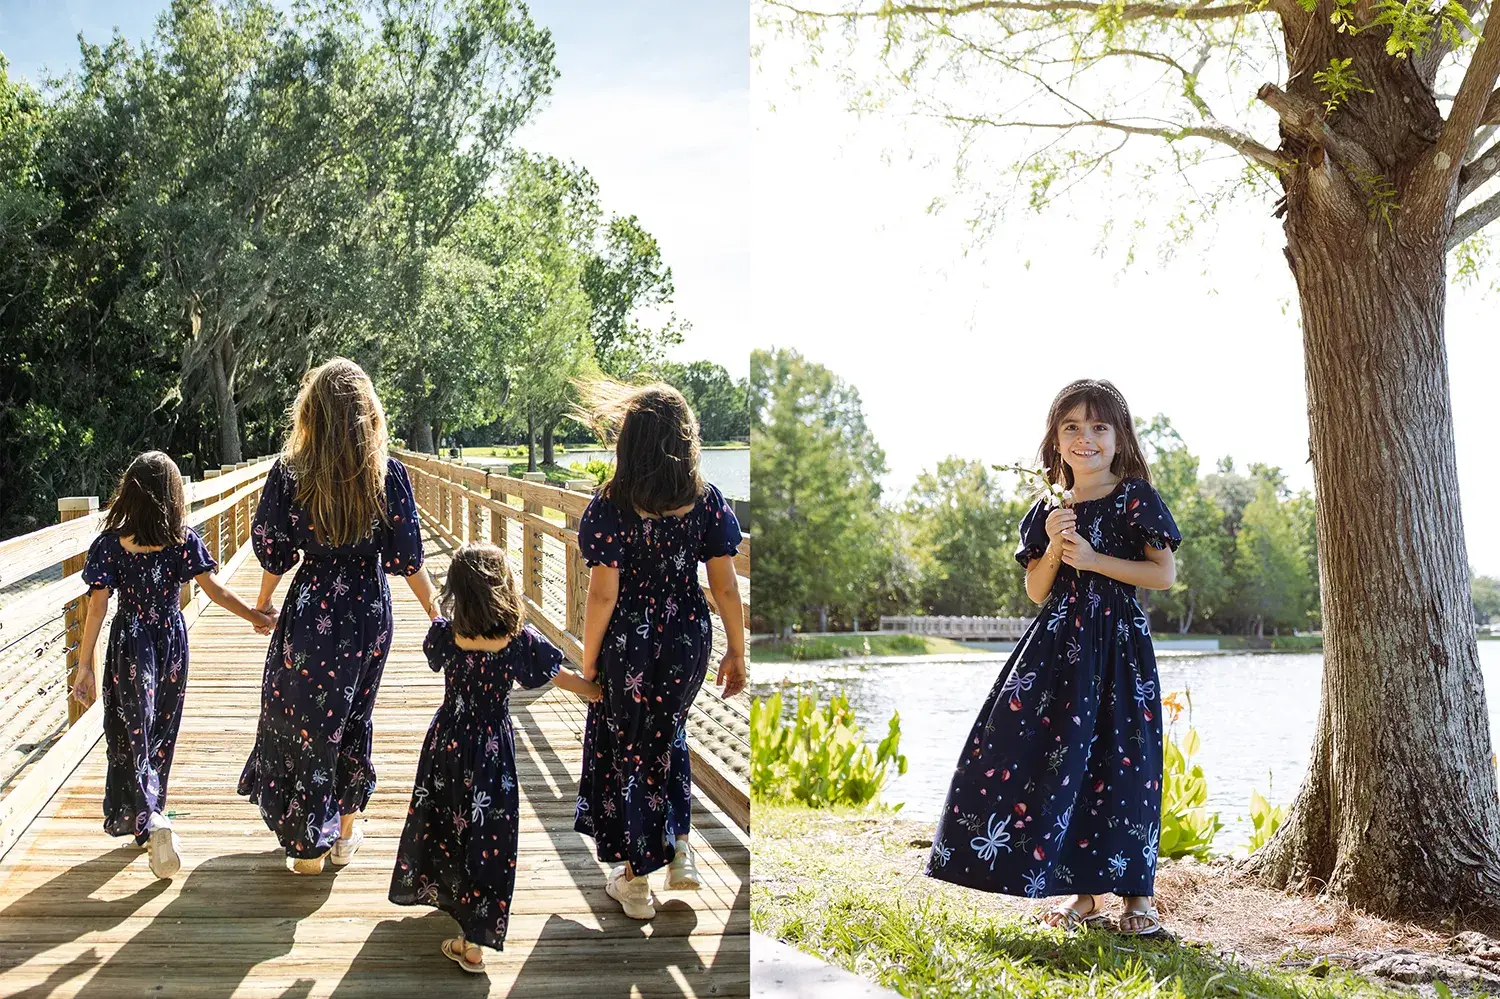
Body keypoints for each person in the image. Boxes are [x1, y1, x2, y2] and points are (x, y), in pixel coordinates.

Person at [924, 378, 1180, 936]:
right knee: (1046, 755)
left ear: (1119, 438)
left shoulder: (1134, 497)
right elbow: (1037, 590)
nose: (1086, 438)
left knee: (1122, 761)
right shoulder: (1050, 506)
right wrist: (1054, 545)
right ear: (1056, 440)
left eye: (1099, 427)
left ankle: (1138, 899)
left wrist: (1091, 559)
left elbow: (1162, 574)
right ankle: (1082, 895)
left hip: (1116, 649)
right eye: (1072, 427)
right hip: (1056, 649)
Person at [239, 358, 437, 874]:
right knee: (353, 718)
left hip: (312, 607)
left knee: (299, 718)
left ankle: (306, 839)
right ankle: (344, 833)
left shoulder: (291, 473)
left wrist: (263, 603)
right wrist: (434, 610)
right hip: (368, 612)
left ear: (312, 413)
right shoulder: (387, 473)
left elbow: (275, 552)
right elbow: (407, 557)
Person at [573, 382, 747, 920]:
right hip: (687, 638)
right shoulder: (707, 501)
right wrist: (737, 650)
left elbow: (603, 595)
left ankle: (635, 882)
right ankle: (679, 846)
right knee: (667, 735)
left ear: (629, 442)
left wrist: (588, 659)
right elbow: (725, 587)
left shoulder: (611, 506)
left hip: (629, 643)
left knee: (629, 748)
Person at [389, 543, 601, 972]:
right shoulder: (518, 642)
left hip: (447, 743)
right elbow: (559, 676)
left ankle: (446, 894)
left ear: (457, 592)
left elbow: (434, 648)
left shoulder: (446, 635)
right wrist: (595, 691)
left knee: (444, 820)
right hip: (491, 750)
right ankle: (475, 940)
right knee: (489, 835)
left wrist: (439, 613)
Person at [75, 451, 274, 878]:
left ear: (129, 494)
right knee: (161, 731)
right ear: (172, 495)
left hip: (130, 643)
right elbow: (215, 590)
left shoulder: (111, 544)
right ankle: (152, 818)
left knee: (132, 732)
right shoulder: (182, 540)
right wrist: (255, 616)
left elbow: (97, 607)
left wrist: (85, 664)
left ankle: (150, 818)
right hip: (171, 641)